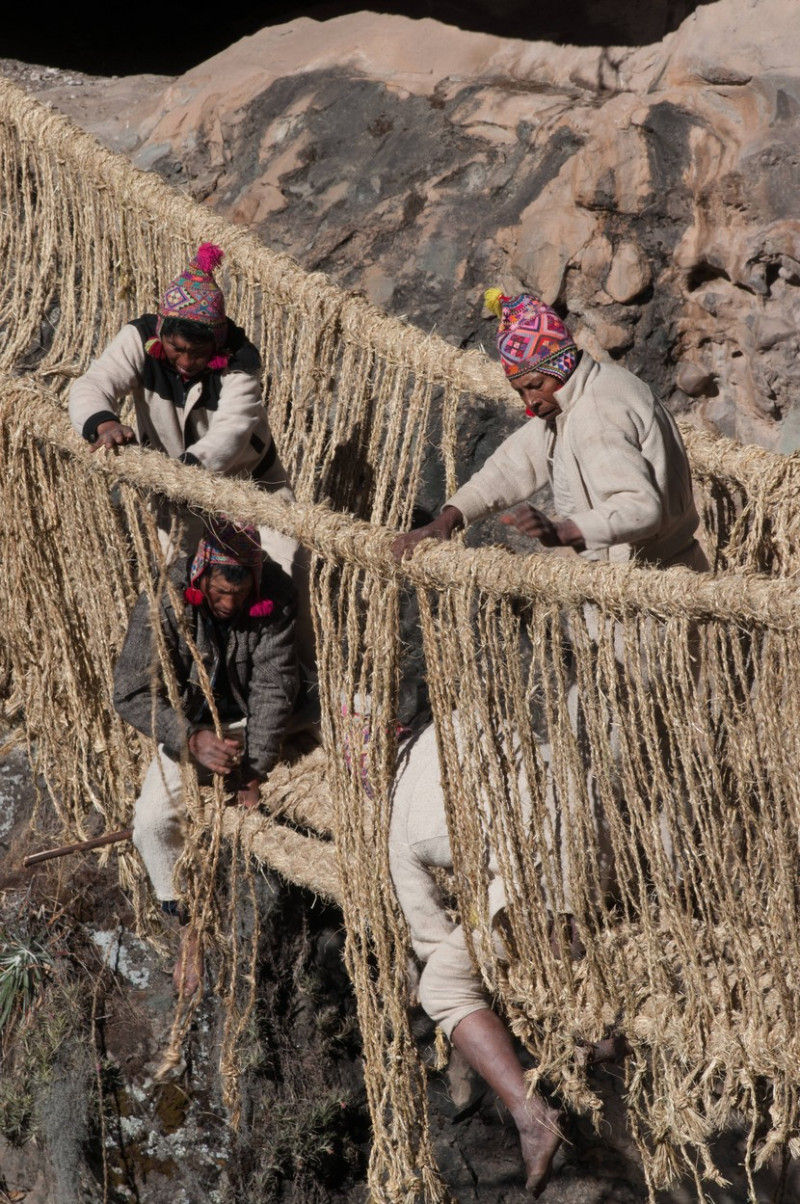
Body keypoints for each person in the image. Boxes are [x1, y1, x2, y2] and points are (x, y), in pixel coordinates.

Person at [389, 721, 622, 1198]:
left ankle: (531, 1116)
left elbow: (430, 939)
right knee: (515, 924)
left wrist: (481, 947)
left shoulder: (396, 815)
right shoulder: (454, 722)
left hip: (545, 889)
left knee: (445, 988)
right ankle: (591, 1021)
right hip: (610, 838)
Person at [392, 289, 709, 573]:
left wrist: (564, 532)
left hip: (656, 590)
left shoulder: (596, 415)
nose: (531, 401)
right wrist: (449, 519)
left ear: (561, 365)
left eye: (535, 386)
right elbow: (515, 464)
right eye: (520, 391)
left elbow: (641, 508)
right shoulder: (579, 396)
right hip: (647, 582)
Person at [113, 519, 298, 996]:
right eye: (218, 593)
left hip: (247, 725)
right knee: (151, 823)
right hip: (187, 725)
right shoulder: (165, 600)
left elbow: (274, 688)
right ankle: (189, 926)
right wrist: (190, 739)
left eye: (239, 596)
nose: (228, 605)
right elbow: (131, 692)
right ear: (199, 577)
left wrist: (254, 767)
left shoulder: (275, 596)